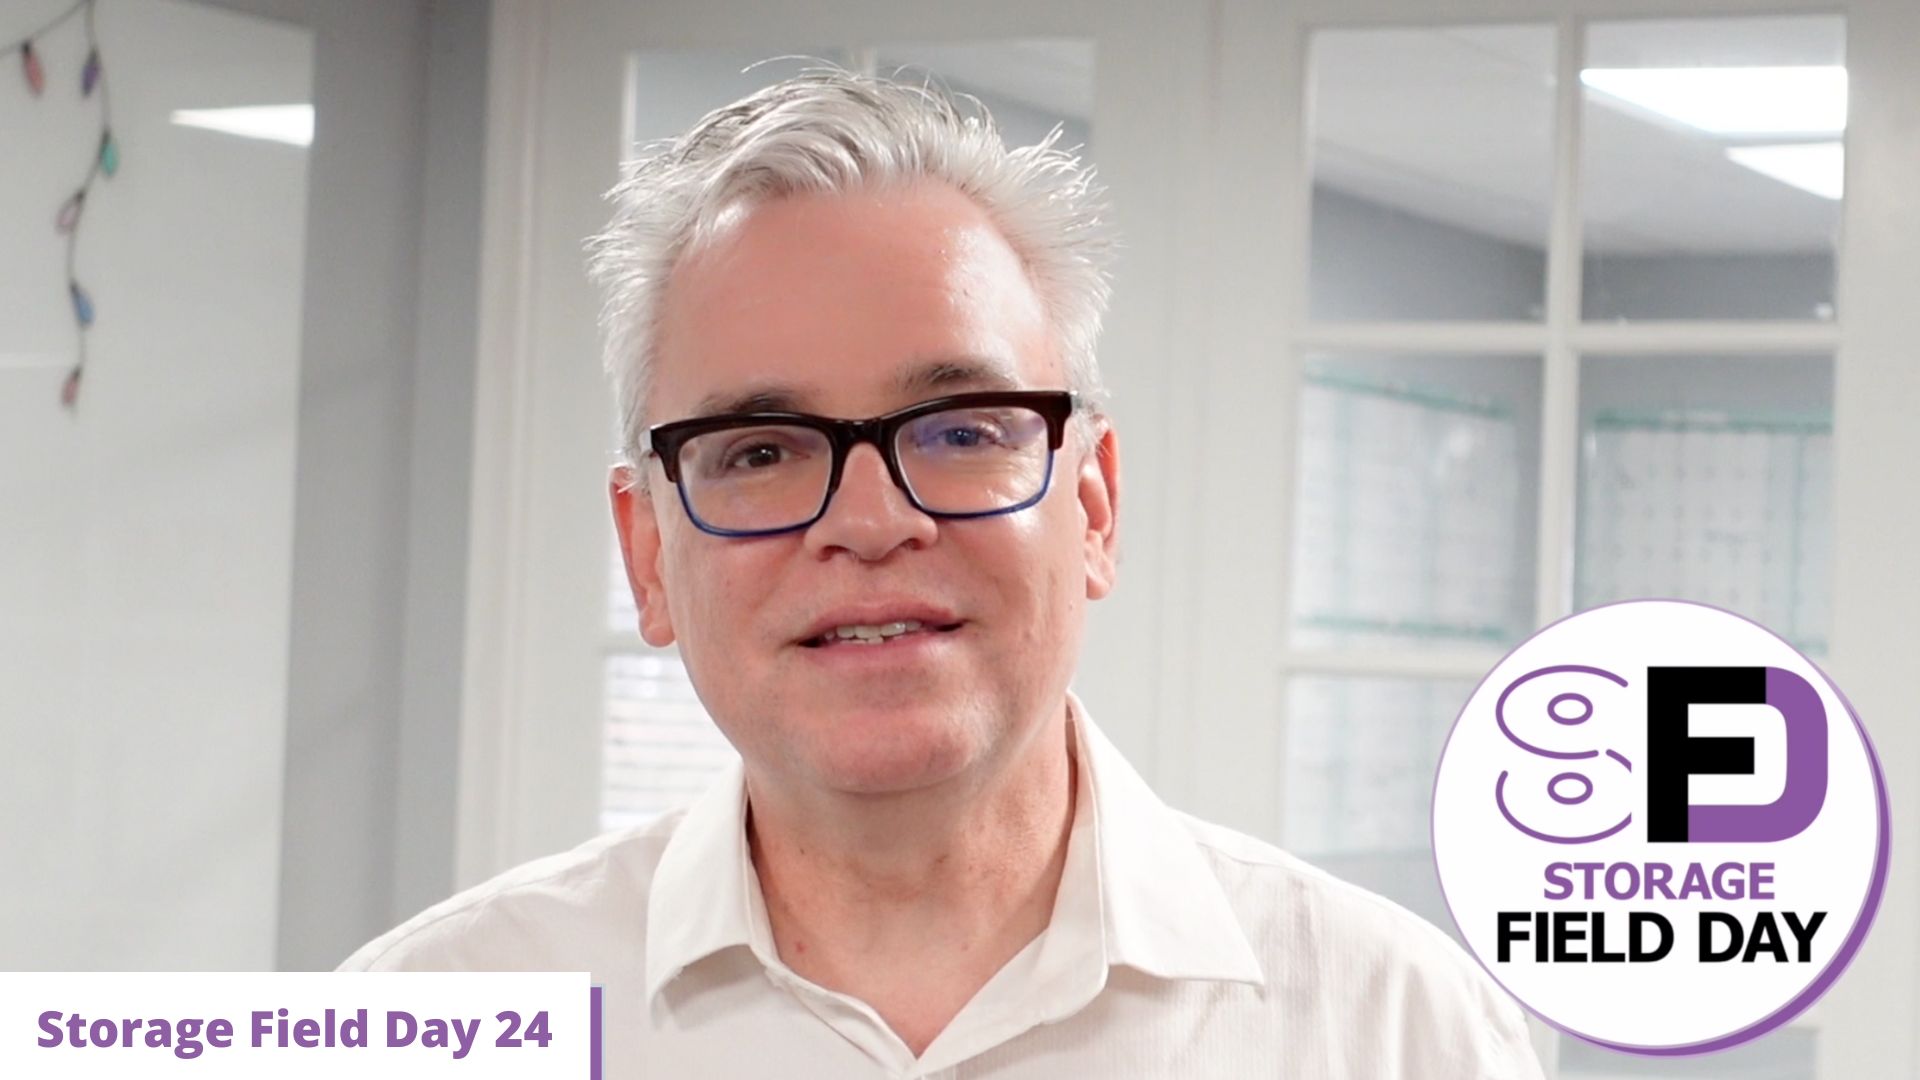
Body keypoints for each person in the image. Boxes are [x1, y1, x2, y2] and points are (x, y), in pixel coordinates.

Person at [341, 67, 1544, 1079]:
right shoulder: (418, 1023)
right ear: (648, 553)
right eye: (759, 451)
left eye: (962, 431)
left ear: (1094, 505)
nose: (869, 523)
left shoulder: (1400, 1030)